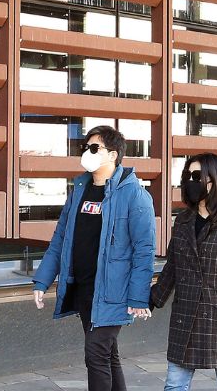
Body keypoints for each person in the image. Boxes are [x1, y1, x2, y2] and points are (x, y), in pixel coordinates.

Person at [32, 125, 156, 391]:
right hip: (84, 289)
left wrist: (138, 297)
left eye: (93, 148)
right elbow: (61, 239)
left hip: (114, 292)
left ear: (112, 155)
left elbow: (144, 250)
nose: (87, 152)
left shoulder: (135, 195)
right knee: (107, 354)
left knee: (96, 354)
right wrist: (42, 280)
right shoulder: (80, 190)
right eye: (86, 147)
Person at [150, 153, 217, 391]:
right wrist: (152, 299)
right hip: (184, 318)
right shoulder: (183, 221)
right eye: (188, 175)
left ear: (215, 180)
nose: (191, 181)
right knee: (174, 385)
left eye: (197, 176)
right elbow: (173, 266)